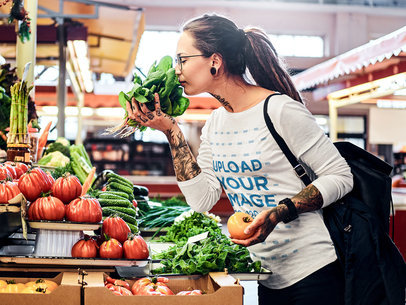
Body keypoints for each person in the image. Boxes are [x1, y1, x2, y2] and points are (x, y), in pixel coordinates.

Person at [127, 13, 353, 305]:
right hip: (266, 276)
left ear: (215, 61)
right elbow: (202, 200)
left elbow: (340, 176)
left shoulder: (279, 110)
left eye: (182, 59)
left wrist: (280, 212)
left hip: (314, 273)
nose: (176, 70)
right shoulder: (215, 124)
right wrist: (172, 132)